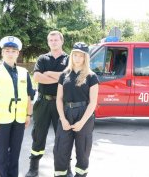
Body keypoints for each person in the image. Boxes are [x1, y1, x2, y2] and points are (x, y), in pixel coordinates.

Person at [0, 36, 35, 177]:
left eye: (13, 51)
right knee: (2, 152)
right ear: (2, 53)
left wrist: (28, 115)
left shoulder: (24, 73)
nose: (10, 53)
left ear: (18, 53)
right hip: (2, 119)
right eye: (7, 50)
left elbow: (29, 96)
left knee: (15, 152)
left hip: (19, 119)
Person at [25, 31, 70, 177]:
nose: (53, 42)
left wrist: (49, 73)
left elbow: (68, 78)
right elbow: (37, 77)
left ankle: (66, 168)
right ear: (48, 42)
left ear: (61, 41)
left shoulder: (69, 59)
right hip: (43, 102)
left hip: (61, 103)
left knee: (63, 136)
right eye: (50, 40)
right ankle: (33, 168)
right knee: (38, 135)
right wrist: (59, 77)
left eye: (56, 40)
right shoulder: (42, 58)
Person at [54, 42, 99, 177]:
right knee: (60, 149)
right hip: (66, 113)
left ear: (86, 58)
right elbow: (59, 99)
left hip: (84, 113)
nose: (77, 58)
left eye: (81, 56)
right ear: (71, 56)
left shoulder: (91, 76)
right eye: (75, 55)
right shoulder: (64, 75)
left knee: (83, 151)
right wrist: (62, 119)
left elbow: (93, 103)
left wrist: (82, 122)